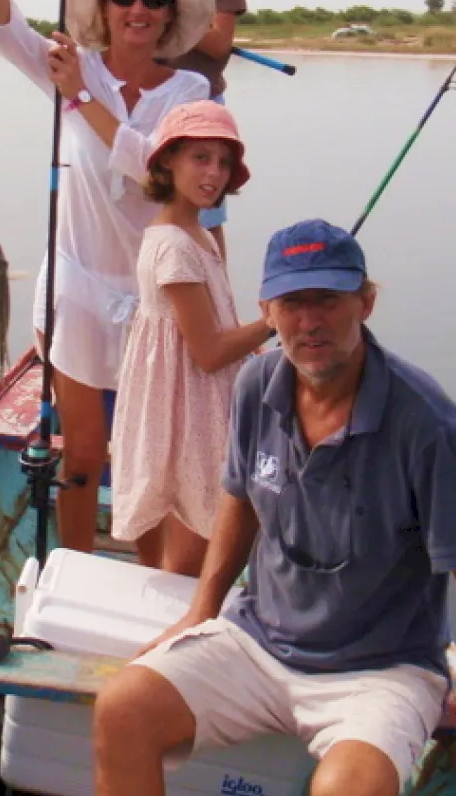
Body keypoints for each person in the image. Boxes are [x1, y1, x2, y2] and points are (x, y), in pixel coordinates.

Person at [93, 219, 456, 796]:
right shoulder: (256, 386)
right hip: (258, 640)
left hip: (380, 671)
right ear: (266, 310)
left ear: (366, 303)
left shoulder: (429, 426)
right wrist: (203, 610)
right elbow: (239, 498)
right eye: (292, 303)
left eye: (328, 301)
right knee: (122, 710)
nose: (310, 322)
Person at [0, 0, 215, 553]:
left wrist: (79, 94)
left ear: (169, 18)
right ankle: (73, 571)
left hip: (151, 295)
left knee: (149, 455)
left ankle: (152, 586)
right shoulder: (66, 66)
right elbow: (1, 30)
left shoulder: (189, 92)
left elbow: (158, 173)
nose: (139, 8)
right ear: (103, 9)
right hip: (77, 284)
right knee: (81, 453)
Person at [109, 101, 273, 577]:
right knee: (192, 540)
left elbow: (212, 326)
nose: (215, 173)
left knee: (199, 521)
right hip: (185, 407)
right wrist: (273, 323)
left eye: (223, 162)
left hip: (190, 396)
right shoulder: (175, 246)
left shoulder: (195, 233)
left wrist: (251, 338)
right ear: (167, 161)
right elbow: (206, 353)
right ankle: (176, 629)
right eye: (200, 158)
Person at [132, 0, 247, 259]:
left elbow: (218, 43)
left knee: (207, 213)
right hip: (153, 102)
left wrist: (175, 12)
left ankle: (217, 301)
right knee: (155, 204)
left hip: (201, 107)